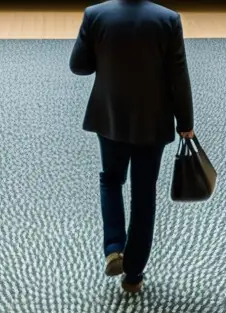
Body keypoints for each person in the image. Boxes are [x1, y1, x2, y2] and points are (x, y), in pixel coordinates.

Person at [70, 0, 194, 295]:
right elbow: (179, 76)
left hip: (109, 116)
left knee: (111, 180)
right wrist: (185, 122)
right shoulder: (168, 20)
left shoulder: (96, 15)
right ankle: (134, 275)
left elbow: (78, 66)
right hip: (152, 122)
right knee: (144, 193)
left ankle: (114, 247)